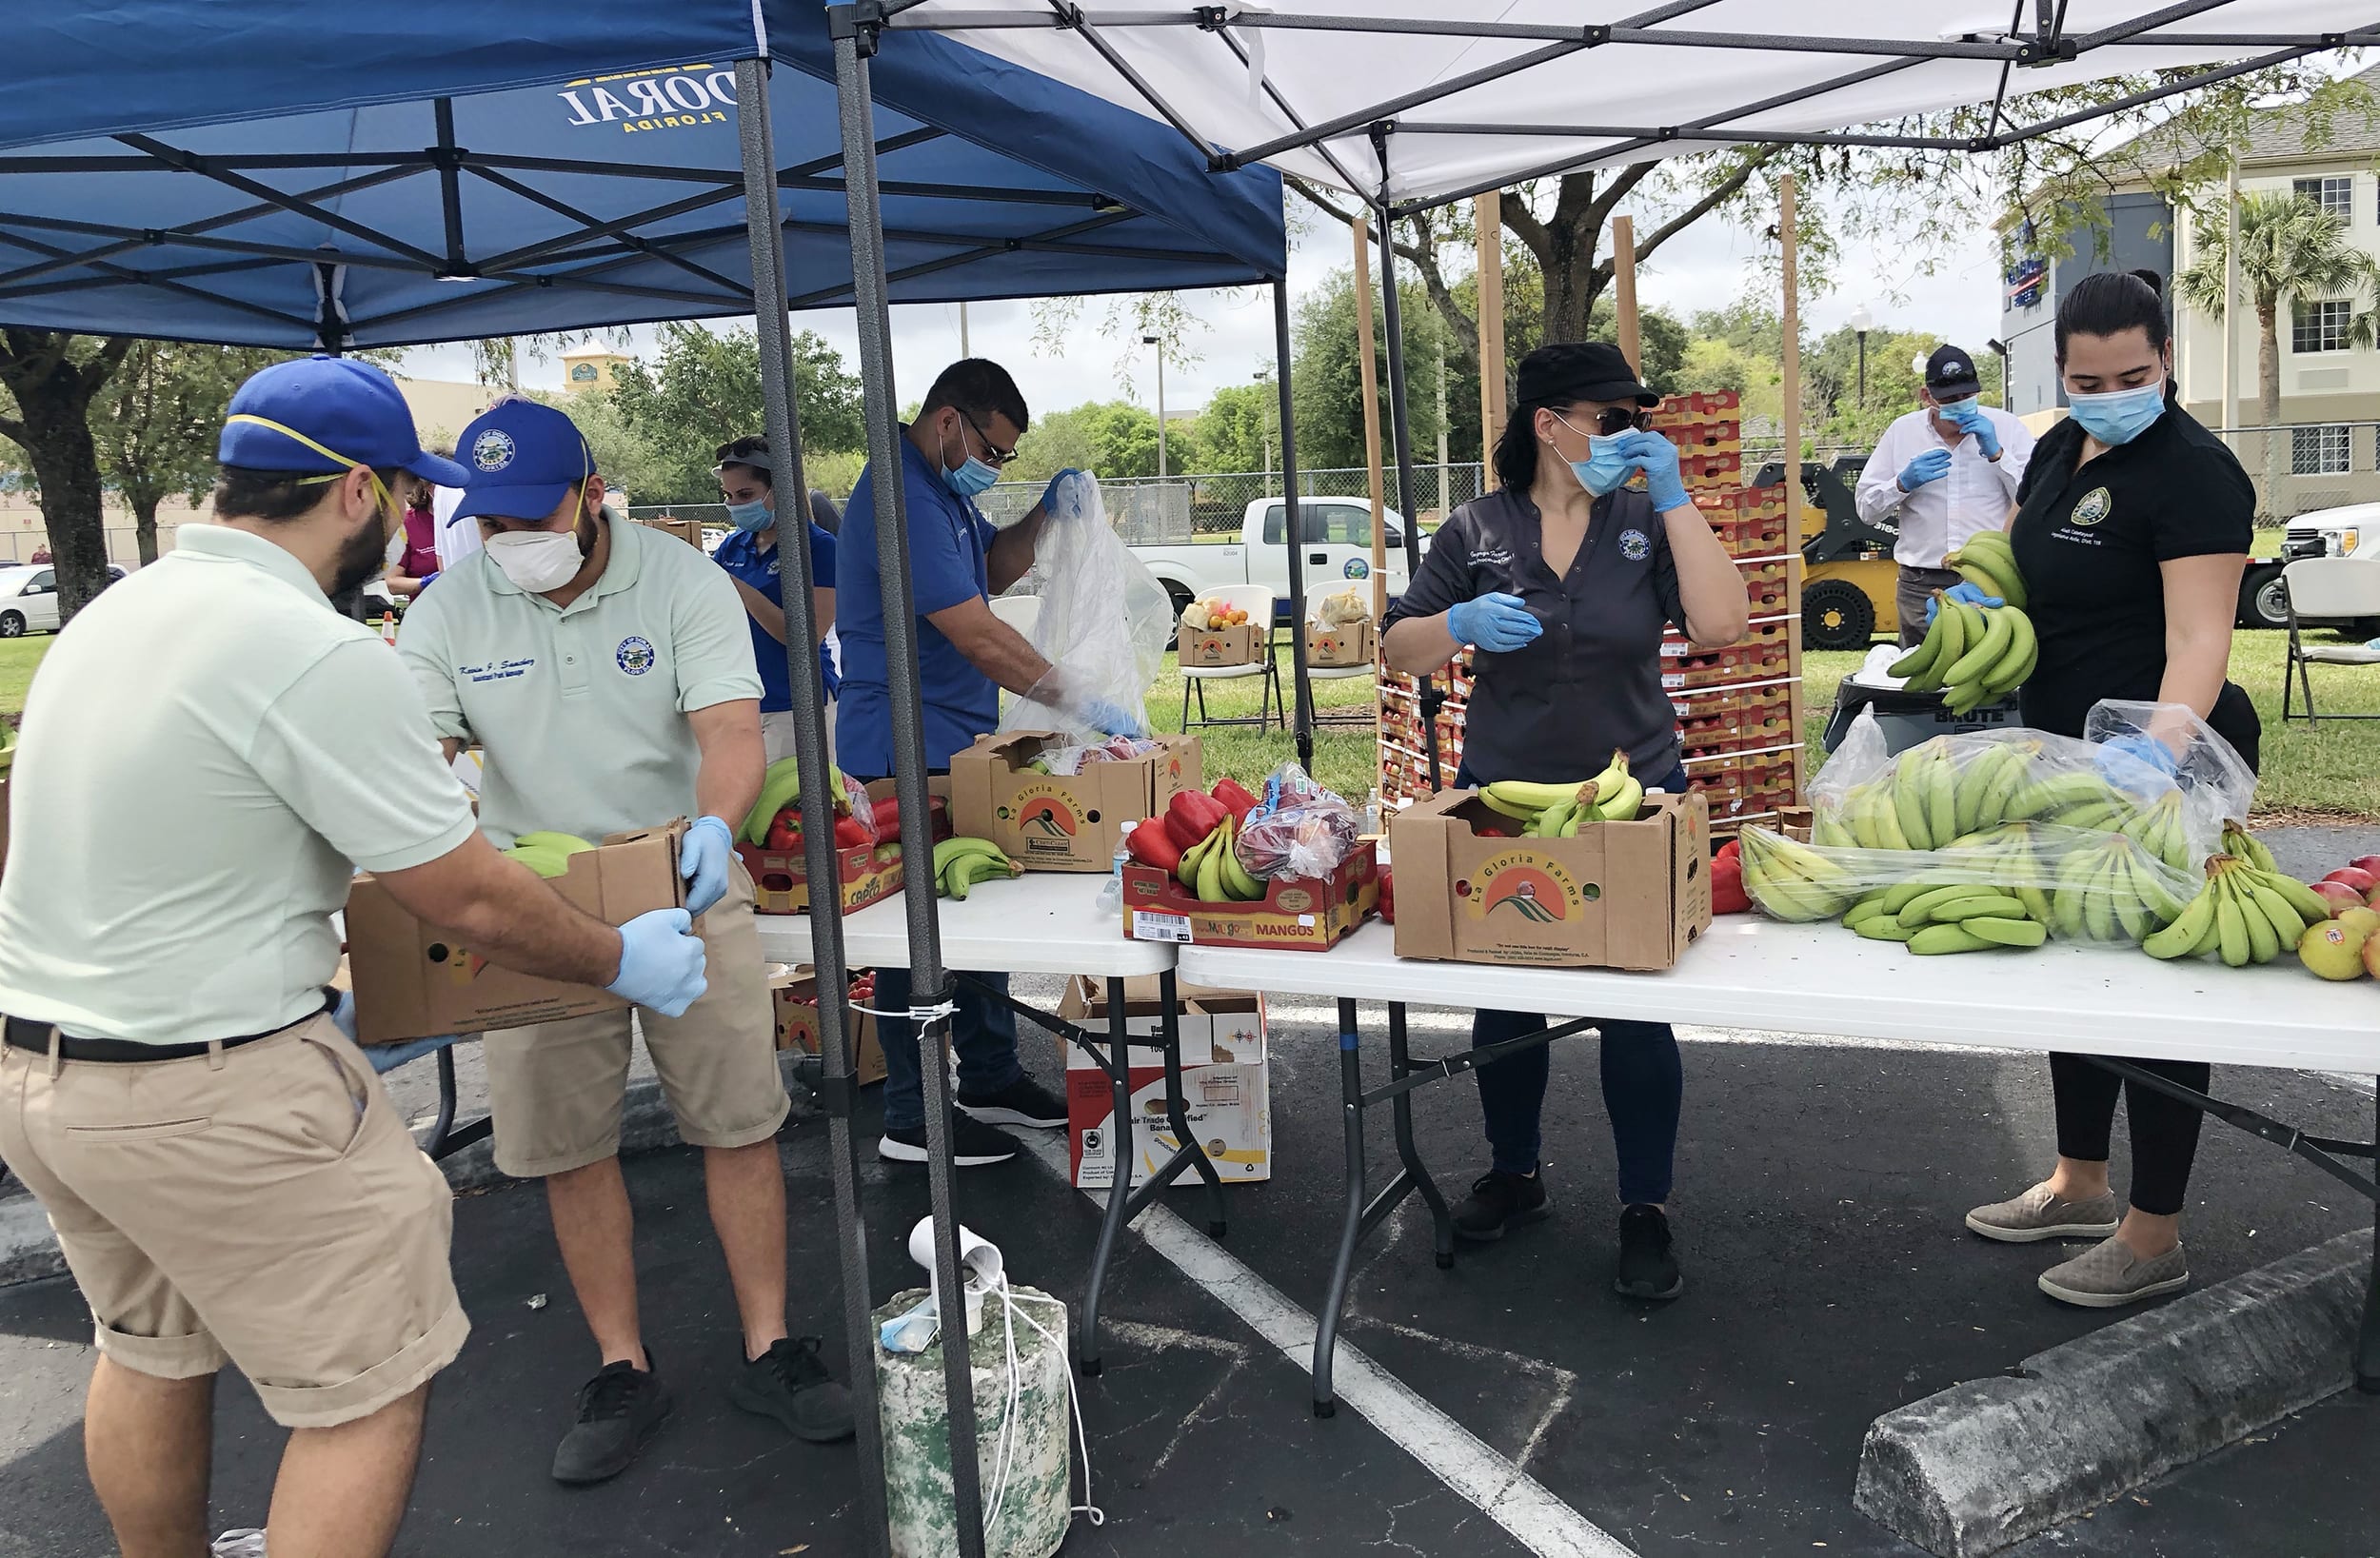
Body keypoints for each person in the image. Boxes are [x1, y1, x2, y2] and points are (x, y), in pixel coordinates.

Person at [0, 357, 707, 1558]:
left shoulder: (112, 613)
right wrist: (617, 956)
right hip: (217, 1081)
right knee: (368, 1383)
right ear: (351, 492)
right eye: (404, 496)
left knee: (147, 1346)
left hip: (42, 1069)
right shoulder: (314, 648)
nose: (412, 524)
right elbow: (465, 893)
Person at [396, 398, 856, 1485]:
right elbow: (416, 747)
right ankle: (620, 1362)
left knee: (739, 1116)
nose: (511, 541)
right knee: (566, 1142)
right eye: (491, 521)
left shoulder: (679, 578)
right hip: (534, 900)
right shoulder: (451, 606)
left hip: (680, 880)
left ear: (591, 492)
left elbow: (731, 733)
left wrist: (712, 827)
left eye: (531, 514)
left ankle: (768, 1343)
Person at [1381, 342, 1749, 1300]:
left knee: (1635, 1012)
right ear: (1552, 425)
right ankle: (1515, 1172)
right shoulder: (1476, 529)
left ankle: (1645, 1207)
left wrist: (1674, 496)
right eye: (1613, 416)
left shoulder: (1642, 520)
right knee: (1506, 1001)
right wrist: (1457, 626)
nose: (1631, 432)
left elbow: (1721, 624)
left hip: (1634, 799)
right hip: (1506, 800)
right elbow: (1397, 647)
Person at [1963, 269, 2260, 1308]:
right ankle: (2080, 1180)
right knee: (2073, 961)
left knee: (2152, 989)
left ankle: (2153, 1229)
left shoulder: (2195, 472)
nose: (2110, 391)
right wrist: (1979, 588)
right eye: (2088, 377)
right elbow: (2028, 558)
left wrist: (2154, 751)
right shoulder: (2058, 446)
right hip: (2059, 744)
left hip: (2165, 751)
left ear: (2166, 357)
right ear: (2063, 369)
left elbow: (2200, 638)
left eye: (2132, 374)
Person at [837, 358, 1136, 1169]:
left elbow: (989, 572)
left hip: (955, 739)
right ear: (947, 423)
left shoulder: (942, 495)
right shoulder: (901, 494)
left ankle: (991, 1075)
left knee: (971, 912)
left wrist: (1043, 516)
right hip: (902, 745)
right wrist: (1077, 697)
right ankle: (912, 1114)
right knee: (919, 935)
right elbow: (975, 632)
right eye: (992, 452)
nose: (993, 468)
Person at [1854, 345, 2036, 647]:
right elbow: (1866, 508)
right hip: (1921, 582)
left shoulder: (2007, 427)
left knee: (1991, 663)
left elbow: (2036, 500)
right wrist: (1902, 483)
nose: (1960, 406)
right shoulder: (1903, 432)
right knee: (1922, 675)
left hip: (1991, 575)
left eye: (1966, 397)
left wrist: (1998, 456)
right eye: (1949, 400)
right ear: (1927, 396)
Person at [711, 435, 841, 760]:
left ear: (780, 489)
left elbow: (805, 635)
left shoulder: (818, 548)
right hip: (742, 701)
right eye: (728, 496)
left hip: (795, 706)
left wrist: (737, 588)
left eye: (745, 494)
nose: (735, 505)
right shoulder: (732, 546)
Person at [386, 472, 441, 599]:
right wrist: (426, 582)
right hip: (426, 612)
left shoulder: (469, 521)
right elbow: (393, 583)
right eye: (436, 485)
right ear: (426, 487)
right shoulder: (408, 524)